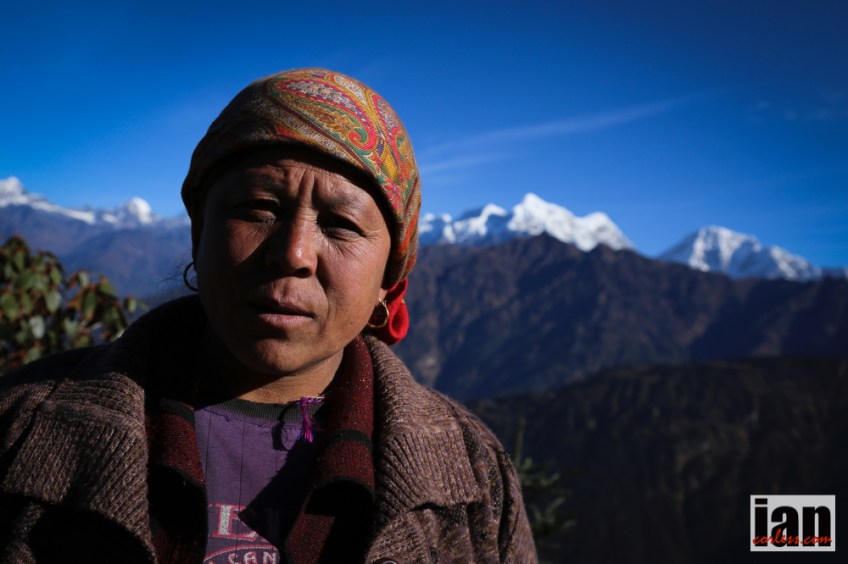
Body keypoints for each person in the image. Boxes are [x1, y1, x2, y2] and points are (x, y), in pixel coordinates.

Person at [0, 68, 536, 563]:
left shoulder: (474, 474)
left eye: (341, 224)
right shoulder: (19, 427)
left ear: (387, 278)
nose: (294, 253)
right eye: (259, 208)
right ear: (199, 233)